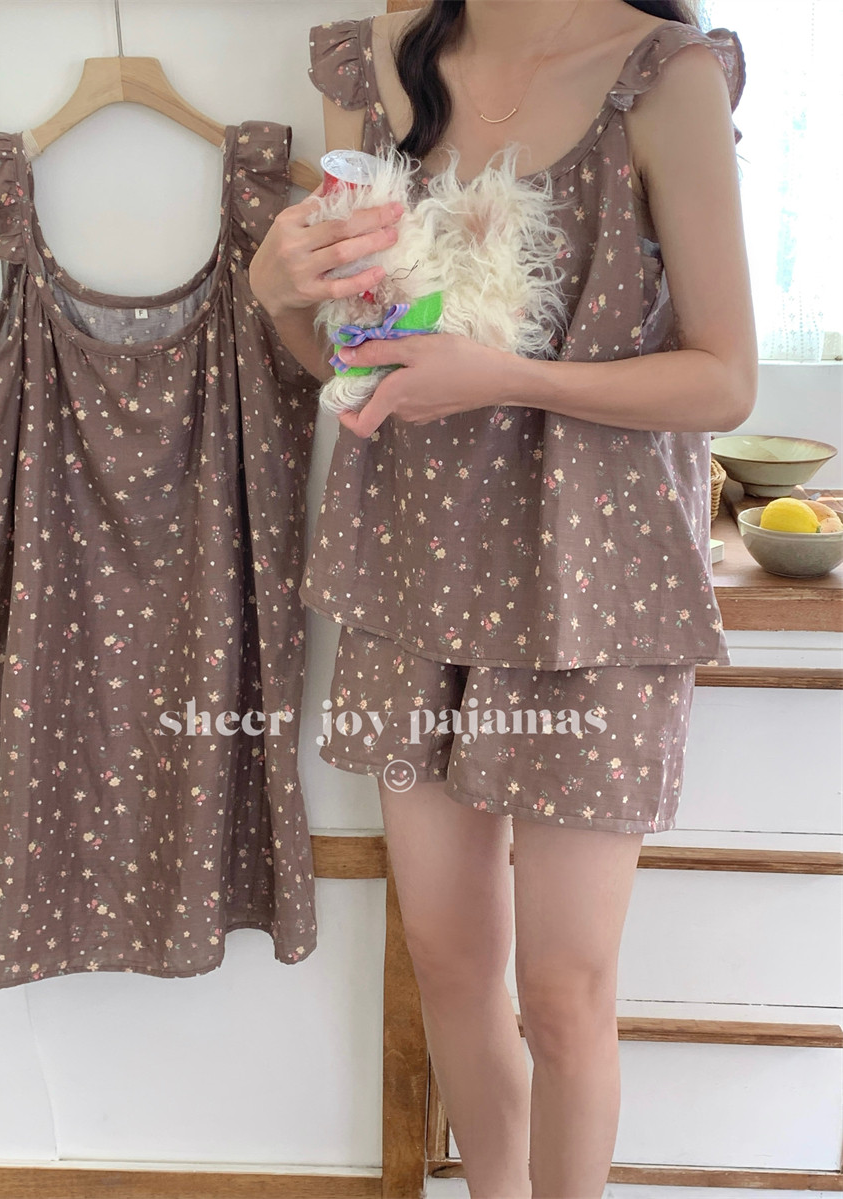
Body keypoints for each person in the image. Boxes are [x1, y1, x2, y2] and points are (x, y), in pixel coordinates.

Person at [250, 2, 756, 1196]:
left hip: (596, 587)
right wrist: (277, 292)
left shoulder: (664, 76)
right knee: (451, 960)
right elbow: (356, 364)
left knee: (565, 990)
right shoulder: (376, 63)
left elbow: (726, 377)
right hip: (412, 569)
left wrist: (510, 377)